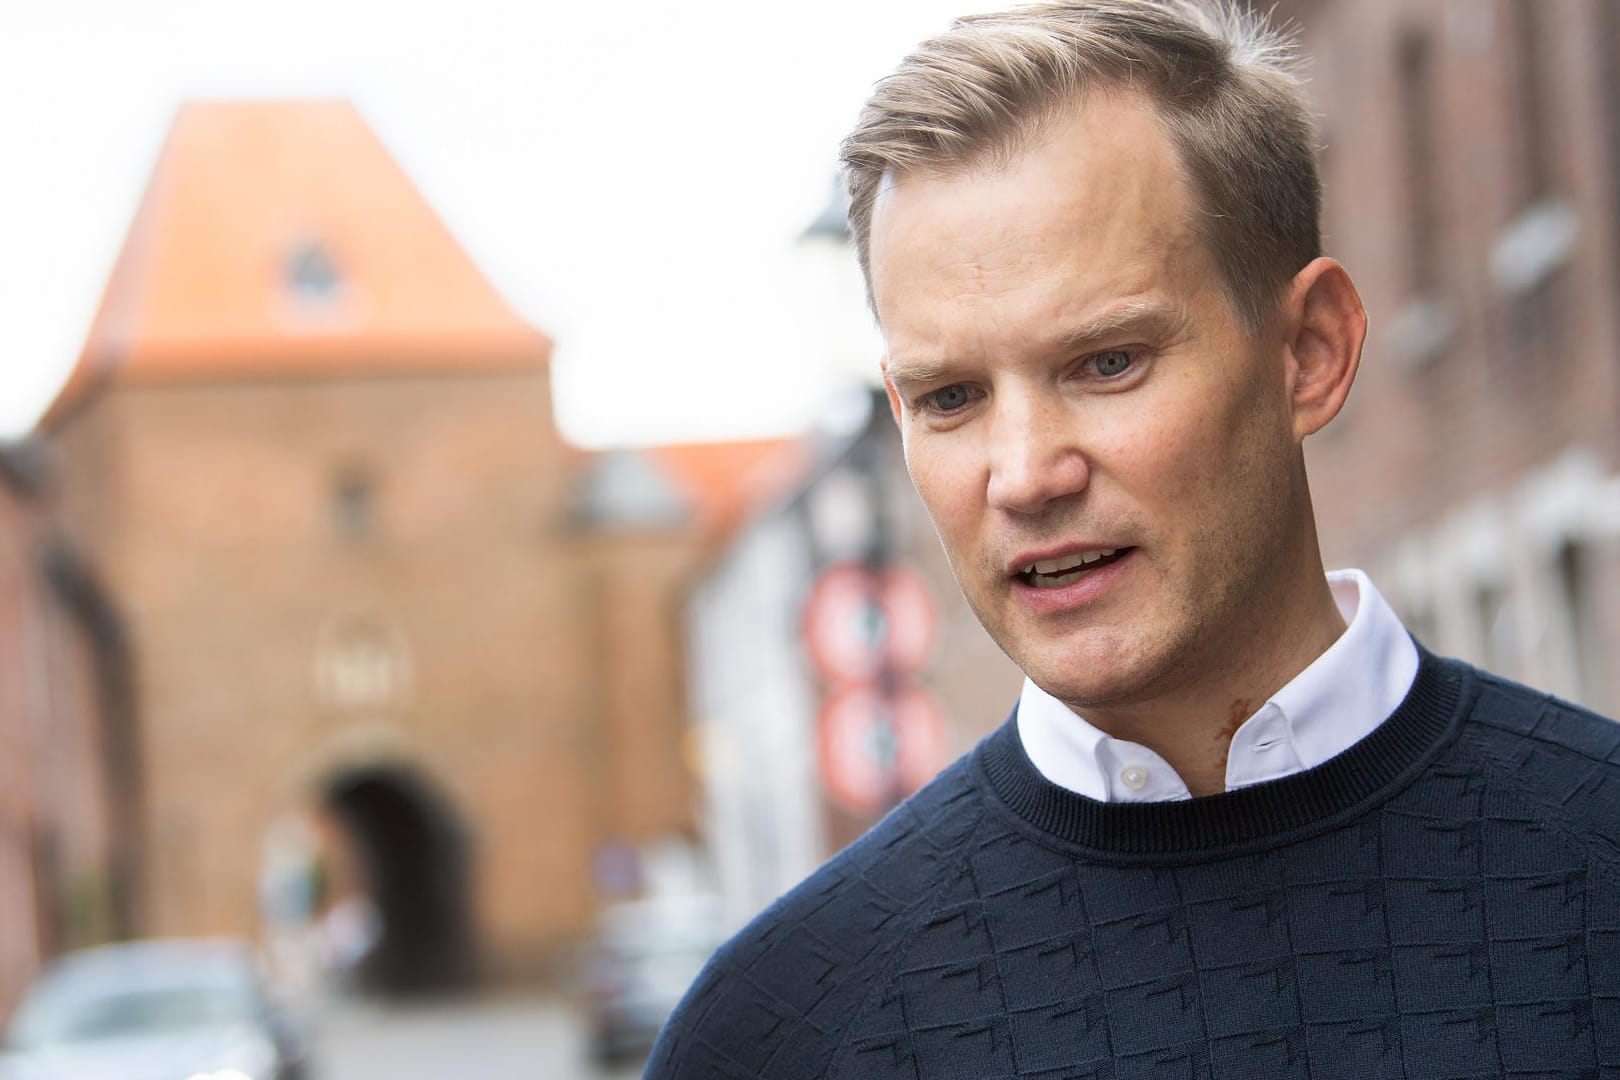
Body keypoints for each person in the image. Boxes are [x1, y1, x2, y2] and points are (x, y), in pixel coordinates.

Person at [647, 2, 1620, 1076]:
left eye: (1106, 362)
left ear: (1308, 351)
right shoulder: (780, 1029)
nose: (1023, 474)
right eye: (952, 396)